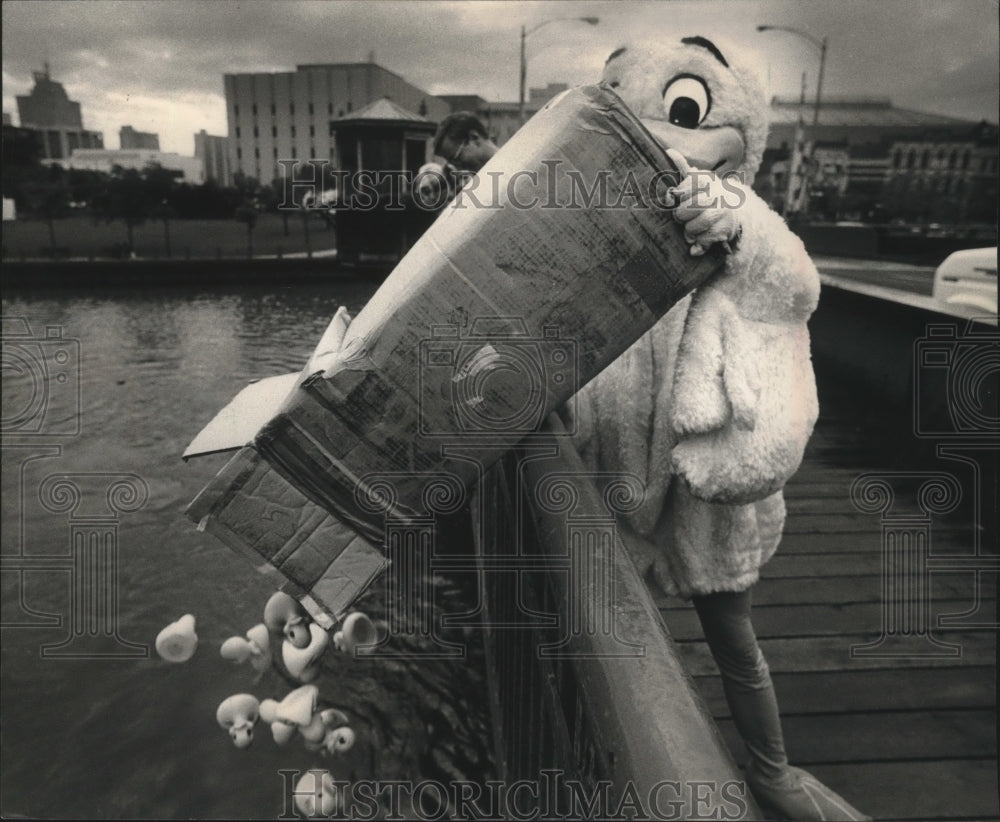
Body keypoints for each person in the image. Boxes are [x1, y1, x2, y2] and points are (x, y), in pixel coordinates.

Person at [565, 36, 870, 821]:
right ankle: (619, 771)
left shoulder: (743, 217)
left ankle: (771, 771)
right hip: (622, 471)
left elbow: (789, 281)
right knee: (620, 641)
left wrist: (730, 221)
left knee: (734, 638)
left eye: (684, 109)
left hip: (706, 483)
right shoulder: (598, 231)